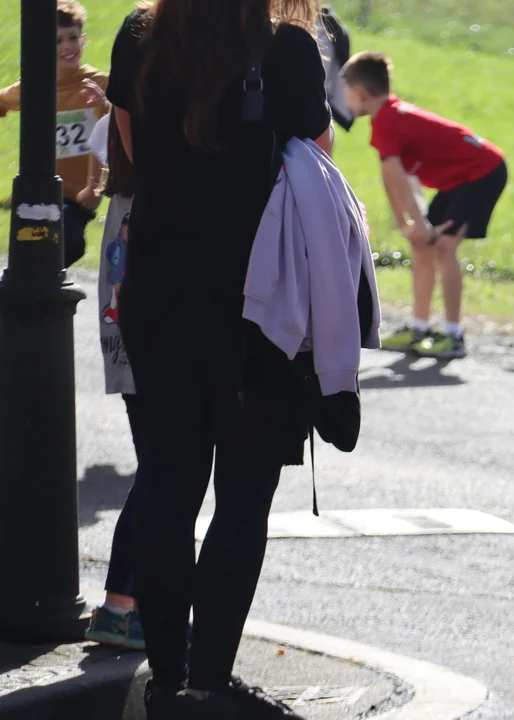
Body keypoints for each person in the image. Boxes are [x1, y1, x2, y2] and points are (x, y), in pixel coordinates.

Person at [106, 0, 334, 717]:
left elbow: (134, 151)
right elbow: (317, 163)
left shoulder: (141, 36)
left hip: (157, 289)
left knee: (166, 486)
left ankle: (164, 680)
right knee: (242, 498)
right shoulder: (287, 49)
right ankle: (208, 680)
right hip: (260, 301)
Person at [341, 51, 508, 360]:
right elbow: (405, 179)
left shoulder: (387, 120)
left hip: (482, 172)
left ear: (360, 93)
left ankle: (453, 335)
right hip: (459, 179)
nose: (345, 100)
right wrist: (416, 224)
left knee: (444, 246)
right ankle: (419, 328)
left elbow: (393, 179)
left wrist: (413, 221)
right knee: (422, 244)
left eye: (346, 92)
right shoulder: (389, 116)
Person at [81, 111, 145, 651]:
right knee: (164, 474)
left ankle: (127, 604)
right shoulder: (153, 199)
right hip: (149, 344)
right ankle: (121, 605)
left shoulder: (125, 191)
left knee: (158, 471)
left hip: (125, 340)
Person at [0, 0, 109, 268]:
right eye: (57, 41)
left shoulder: (99, 84)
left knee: (68, 242)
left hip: (79, 196)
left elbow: (117, 128)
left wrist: (103, 106)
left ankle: (39, 283)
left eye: (72, 38)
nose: (67, 46)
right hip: (39, 188)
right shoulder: (34, 85)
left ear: (83, 40)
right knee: (41, 250)